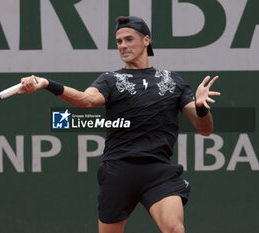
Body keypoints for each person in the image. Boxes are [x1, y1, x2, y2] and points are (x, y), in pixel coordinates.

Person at [18, 16, 220, 233]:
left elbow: (205, 129)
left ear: (146, 40)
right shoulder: (110, 79)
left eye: (129, 39)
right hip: (118, 170)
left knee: (175, 229)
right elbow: (87, 100)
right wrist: (48, 84)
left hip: (158, 171)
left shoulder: (173, 81)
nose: (123, 46)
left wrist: (201, 107)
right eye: (119, 41)